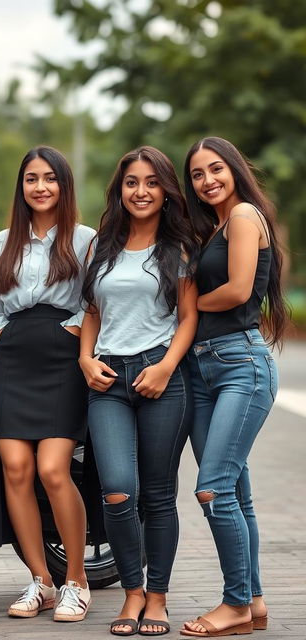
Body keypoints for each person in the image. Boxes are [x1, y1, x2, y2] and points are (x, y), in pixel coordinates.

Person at [79, 146, 199, 636]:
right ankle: (131, 593)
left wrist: (167, 367)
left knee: (158, 495)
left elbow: (188, 317)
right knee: (116, 490)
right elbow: (92, 312)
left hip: (159, 378)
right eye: (132, 182)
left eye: (152, 182)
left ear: (166, 190)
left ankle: (158, 597)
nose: (141, 191)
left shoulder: (180, 247)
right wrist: (85, 359)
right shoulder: (100, 246)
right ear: (120, 189)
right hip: (107, 379)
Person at [0, 146, 96, 622]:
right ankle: (40, 581)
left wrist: (68, 330)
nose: (41, 186)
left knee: (52, 469)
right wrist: (2, 332)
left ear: (64, 186)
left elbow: (96, 300)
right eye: (32, 178)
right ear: (21, 187)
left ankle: (77, 580)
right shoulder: (2, 241)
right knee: (14, 468)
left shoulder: (86, 238)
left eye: (50, 178)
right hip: (13, 357)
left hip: (62, 358)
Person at [180, 137, 289, 638]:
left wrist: (188, 306)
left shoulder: (244, 215)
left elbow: (240, 290)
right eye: (198, 174)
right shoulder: (215, 227)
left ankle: (233, 603)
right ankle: (255, 601)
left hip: (240, 364)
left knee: (213, 488)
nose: (208, 181)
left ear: (234, 170)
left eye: (215, 169)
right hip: (205, 368)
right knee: (235, 490)